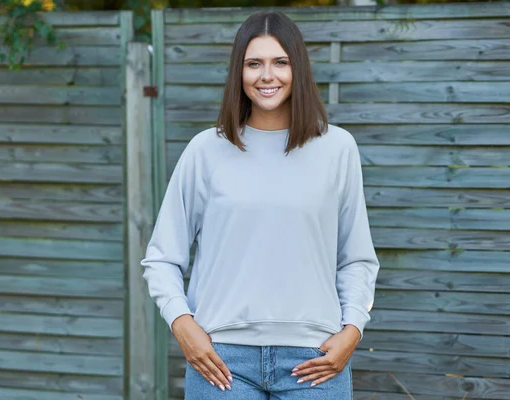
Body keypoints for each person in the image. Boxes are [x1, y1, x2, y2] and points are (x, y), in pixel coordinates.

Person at [141, 10, 380, 400]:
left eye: (280, 62)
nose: (267, 76)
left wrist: (352, 330)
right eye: (254, 63)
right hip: (221, 361)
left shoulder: (338, 148)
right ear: (239, 71)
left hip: (315, 361)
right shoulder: (206, 150)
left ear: (297, 69)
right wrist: (184, 327)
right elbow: (162, 258)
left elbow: (356, 259)